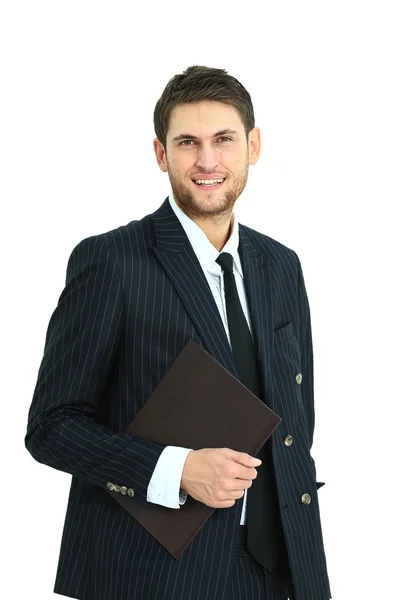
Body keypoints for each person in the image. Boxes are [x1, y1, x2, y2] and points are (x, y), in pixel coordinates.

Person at [25, 65, 331, 600]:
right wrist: (176, 469)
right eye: (187, 142)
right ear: (161, 154)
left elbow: (297, 418)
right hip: (153, 574)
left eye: (224, 140)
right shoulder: (111, 262)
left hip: (282, 569)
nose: (207, 161)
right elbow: (51, 426)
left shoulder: (282, 265)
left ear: (253, 146)